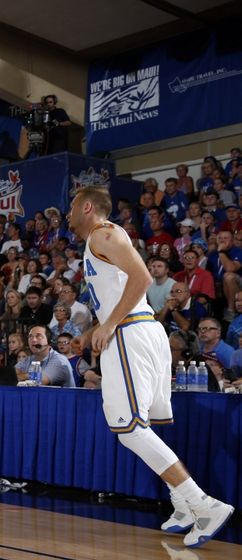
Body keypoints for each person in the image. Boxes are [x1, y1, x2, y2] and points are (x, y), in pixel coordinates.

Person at [67, 186, 233, 548]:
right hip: (139, 329)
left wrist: (108, 325)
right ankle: (183, 505)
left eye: (72, 207)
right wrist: (95, 328)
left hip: (130, 334)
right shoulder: (106, 237)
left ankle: (203, 504)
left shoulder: (104, 233)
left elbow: (142, 278)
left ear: (88, 207)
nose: (68, 214)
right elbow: (130, 289)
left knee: (130, 429)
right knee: (145, 427)